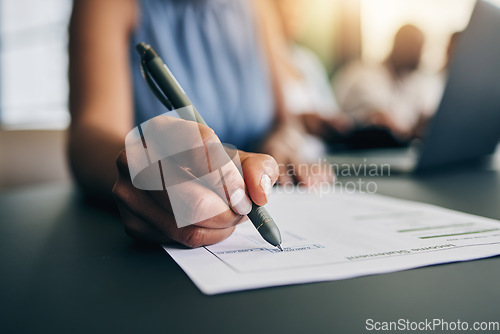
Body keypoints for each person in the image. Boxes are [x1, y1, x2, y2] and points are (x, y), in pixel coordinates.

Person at [68, 0, 331, 247]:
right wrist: (141, 167)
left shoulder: (258, 5)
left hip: (271, 197)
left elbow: (284, 121)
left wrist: (280, 142)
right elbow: (90, 137)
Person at [334, 24, 436, 144]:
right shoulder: (366, 75)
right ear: (398, 44)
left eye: (420, 48)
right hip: (362, 153)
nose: (418, 54)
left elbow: (421, 119)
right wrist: (410, 133)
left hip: (393, 151)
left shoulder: (411, 83)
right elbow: (380, 119)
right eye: (414, 47)